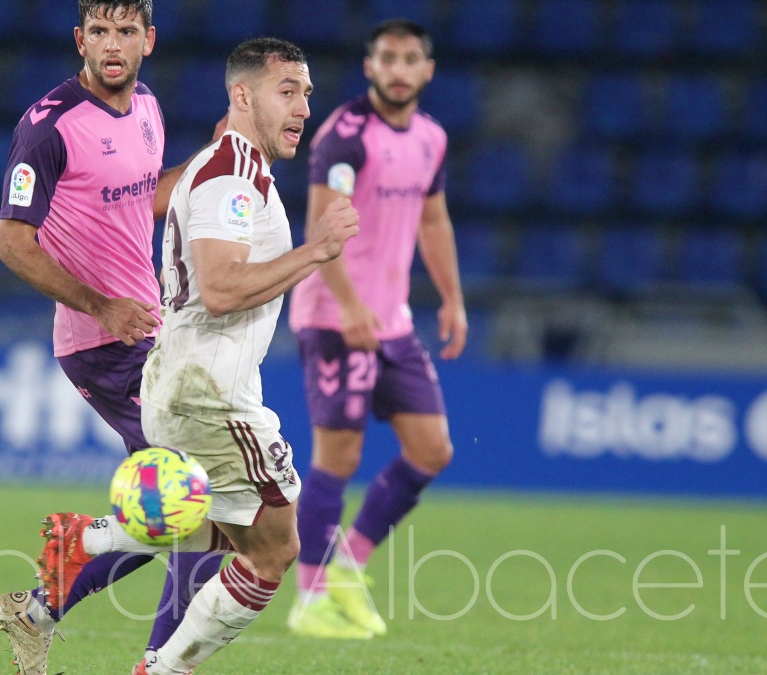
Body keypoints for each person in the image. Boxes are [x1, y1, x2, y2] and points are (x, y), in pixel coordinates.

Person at [37, 37, 361, 675]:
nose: (302, 108)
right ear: (242, 97)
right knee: (274, 550)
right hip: (208, 390)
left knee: (242, 531)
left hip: (184, 383)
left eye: (306, 94)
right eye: (286, 92)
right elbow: (219, 287)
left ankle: (92, 541)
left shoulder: (237, 168)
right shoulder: (230, 177)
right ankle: (164, 666)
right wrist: (315, 252)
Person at [0, 2, 223, 672]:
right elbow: (13, 243)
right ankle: (155, 656)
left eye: (126, 31)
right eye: (99, 31)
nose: (112, 44)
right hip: (101, 343)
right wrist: (104, 305)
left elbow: (144, 196)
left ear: (149, 39)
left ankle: (45, 599)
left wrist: (214, 159)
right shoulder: (48, 126)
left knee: (190, 506)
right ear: (79, 40)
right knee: (197, 506)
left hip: (151, 332)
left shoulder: (146, 107)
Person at [285, 18, 467, 639]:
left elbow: (434, 221)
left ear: (426, 70)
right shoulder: (345, 135)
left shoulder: (431, 139)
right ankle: (310, 603)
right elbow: (322, 222)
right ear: (370, 66)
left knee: (432, 449)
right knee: (340, 455)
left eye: (409, 58)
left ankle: (346, 566)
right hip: (335, 315)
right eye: (387, 57)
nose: (397, 68)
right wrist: (349, 303)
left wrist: (451, 298)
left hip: (392, 322)